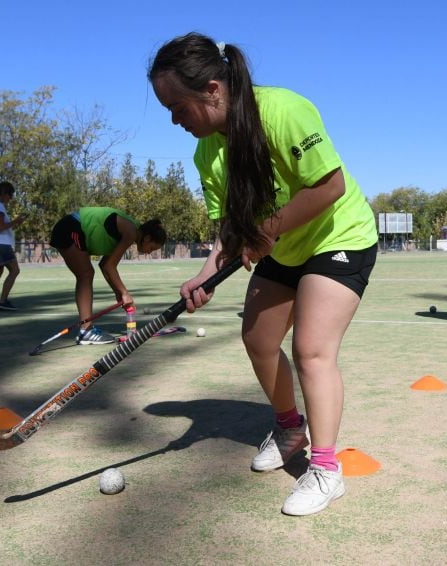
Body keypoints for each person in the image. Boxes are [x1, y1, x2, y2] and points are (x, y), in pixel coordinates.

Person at [149, 32, 379, 516]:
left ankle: (325, 469)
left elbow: (329, 185)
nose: (174, 120)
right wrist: (206, 273)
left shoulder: (282, 111)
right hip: (281, 244)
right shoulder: (206, 153)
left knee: (312, 350)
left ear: (213, 89)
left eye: (178, 106)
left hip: (339, 237)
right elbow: (230, 229)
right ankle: (290, 426)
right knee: (257, 339)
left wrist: (267, 231)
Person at [49, 207, 165, 344]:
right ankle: (85, 331)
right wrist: (124, 293)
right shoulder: (130, 232)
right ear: (147, 238)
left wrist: (118, 292)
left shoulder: (130, 231)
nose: (148, 253)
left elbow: (105, 265)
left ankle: (85, 330)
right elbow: (110, 267)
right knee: (85, 275)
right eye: (151, 248)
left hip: (71, 227)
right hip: (71, 227)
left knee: (86, 274)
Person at [0, 181, 26, 311]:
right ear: (4, 193)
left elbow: (1, 226)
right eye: (10, 195)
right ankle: (2, 301)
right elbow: (1, 227)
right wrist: (16, 221)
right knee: (14, 270)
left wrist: (14, 223)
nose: (11, 198)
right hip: (0, 244)